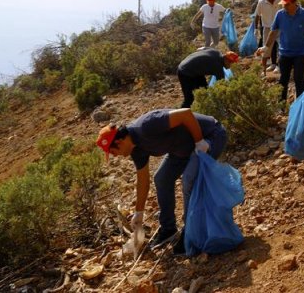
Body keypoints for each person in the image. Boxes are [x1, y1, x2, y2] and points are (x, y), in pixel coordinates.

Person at [96, 108, 228, 254]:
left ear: (119, 142)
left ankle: (190, 231)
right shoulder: (136, 149)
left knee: (189, 180)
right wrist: (138, 213)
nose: (115, 156)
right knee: (162, 179)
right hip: (182, 149)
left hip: (210, 136)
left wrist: (199, 141)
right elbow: (143, 180)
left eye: (113, 152)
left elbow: (185, 114)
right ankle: (168, 229)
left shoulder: (146, 126)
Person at [262, 0, 304, 102]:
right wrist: (266, 47)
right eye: (283, 4)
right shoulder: (280, 14)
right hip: (284, 53)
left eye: (287, 4)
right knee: (283, 80)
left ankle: (301, 104)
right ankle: (281, 105)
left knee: (298, 79)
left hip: (300, 53)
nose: (285, 7)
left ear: (294, 2)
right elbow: (273, 32)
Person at [254, 0, 281, 73]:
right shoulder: (261, 3)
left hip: (278, 28)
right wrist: (256, 29)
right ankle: (264, 70)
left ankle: (279, 66)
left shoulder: (278, 1)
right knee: (266, 49)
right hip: (267, 29)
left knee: (281, 47)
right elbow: (257, 16)